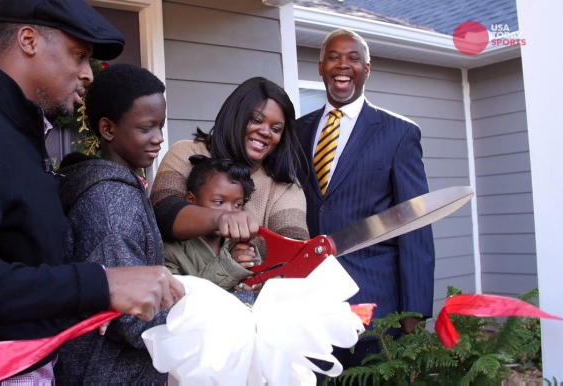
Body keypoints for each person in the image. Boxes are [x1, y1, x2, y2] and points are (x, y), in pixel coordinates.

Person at [0, 1, 183, 384]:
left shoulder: (19, 134)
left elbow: (21, 262)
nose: (87, 74)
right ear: (28, 40)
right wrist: (101, 284)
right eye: (79, 55)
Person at [295, 29, 435, 371]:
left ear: (366, 70)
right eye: (334, 57)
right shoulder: (296, 132)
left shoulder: (398, 133)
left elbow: (414, 225)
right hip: (308, 307)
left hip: (374, 309)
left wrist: (413, 314)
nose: (343, 65)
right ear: (320, 67)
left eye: (353, 58)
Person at [54, 63, 168, 383]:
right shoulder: (111, 205)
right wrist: (215, 311)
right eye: (146, 127)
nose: (158, 138)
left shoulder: (119, 188)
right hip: (109, 372)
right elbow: (133, 318)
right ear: (108, 129)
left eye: (161, 125)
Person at [151, 77, 309, 248]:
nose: (265, 132)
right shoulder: (186, 152)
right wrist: (221, 218)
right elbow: (162, 211)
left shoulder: (285, 187)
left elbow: (294, 245)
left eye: (276, 129)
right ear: (235, 116)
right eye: (256, 120)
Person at [164, 155, 260, 298]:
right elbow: (176, 302)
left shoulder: (243, 245)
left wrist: (256, 285)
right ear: (191, 200)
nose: (229, 212)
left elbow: (259, 284)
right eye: (218, 202)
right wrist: (229, 266)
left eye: (238, 204)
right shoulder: (171, 251)